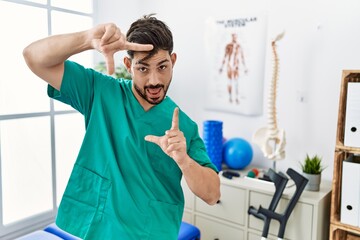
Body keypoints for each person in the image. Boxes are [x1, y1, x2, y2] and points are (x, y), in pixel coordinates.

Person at [23, 14, 220, 239]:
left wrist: (184, 160)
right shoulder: (101, 92)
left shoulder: (184, 127)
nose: (154, 80)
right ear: (128, 65)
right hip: (100, 230)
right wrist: (87, 38)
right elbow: (34, 57)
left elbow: (212, 194)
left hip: (152, 232)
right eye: (143, 68)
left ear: (173, 61)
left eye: (162, 67)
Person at [219, 33, 248, 104]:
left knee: (236, 82)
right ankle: (230, 97)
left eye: (235, 37)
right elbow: (225, 56)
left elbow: (242, 57)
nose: (234, 38)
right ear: (232, 37)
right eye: (233, 37)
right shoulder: (228, 46)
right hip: (229, 65)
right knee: (229, 82)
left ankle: (236, 97)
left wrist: (245, 68)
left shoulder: (239, 46)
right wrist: (221, 67)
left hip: (236, 66)